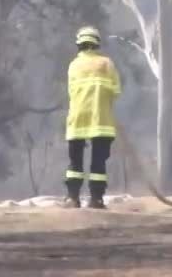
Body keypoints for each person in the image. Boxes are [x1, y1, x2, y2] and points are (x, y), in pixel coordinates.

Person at [64, 25, 121, 209]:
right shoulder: (107, 64)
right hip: (101, 121)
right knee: (98, 162)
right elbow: (116, 91)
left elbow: (71, 92)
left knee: (75, 161)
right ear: (97, 44)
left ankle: (73, 199)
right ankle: (96, 199)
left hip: (77, 121)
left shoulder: (73, 65)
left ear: (79, 44)